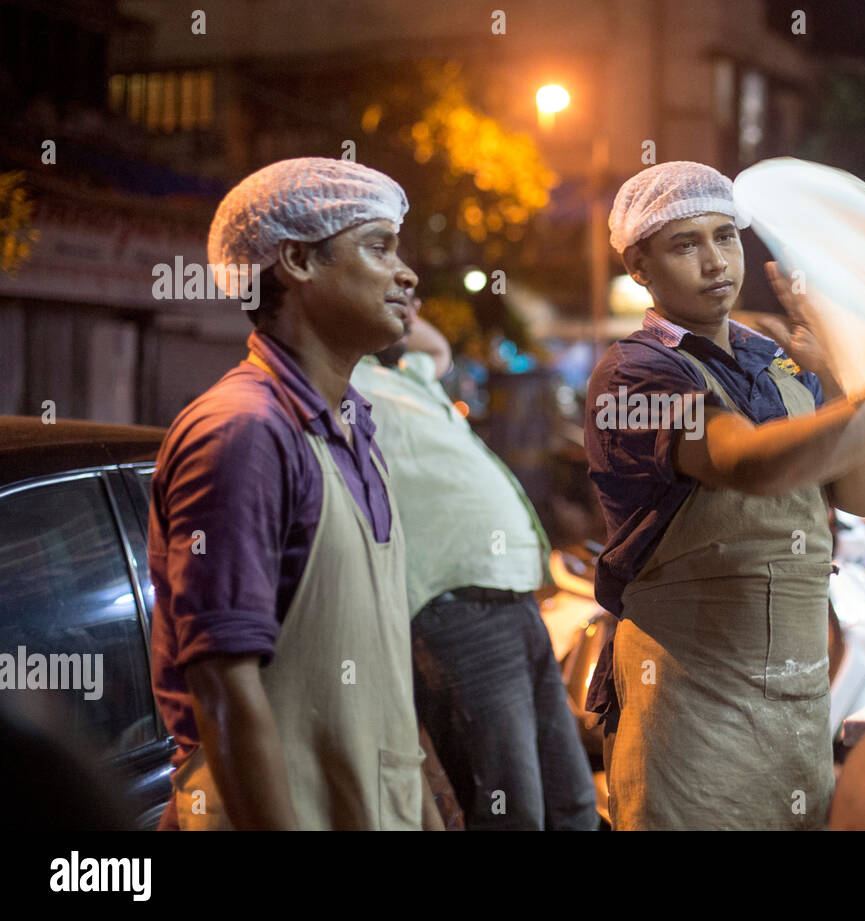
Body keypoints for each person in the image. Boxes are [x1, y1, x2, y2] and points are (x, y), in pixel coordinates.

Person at [584, 161, 865, 830]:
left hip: (797, 701)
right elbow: (748, 464)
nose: (714, 261)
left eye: (725, 237)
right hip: (689, 707)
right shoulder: (637, 374)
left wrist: (848, 373)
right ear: (639, 265)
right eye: (684, 244)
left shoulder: (782, 365)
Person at [148, 157, 443, 830]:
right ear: (299, 261)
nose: (408, 273)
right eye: (380, 247)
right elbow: (225, 685)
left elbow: (385, 683)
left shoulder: (355, 428)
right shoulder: (244, 432)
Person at [351, 296, 599, 830]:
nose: (405, 286)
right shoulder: (338, 383)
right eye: (377, 254)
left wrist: (394, 305)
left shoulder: (400, 374)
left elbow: (435, 347)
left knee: (574, 804)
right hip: (452, 607)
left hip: (513, 598)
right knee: (514, 812)